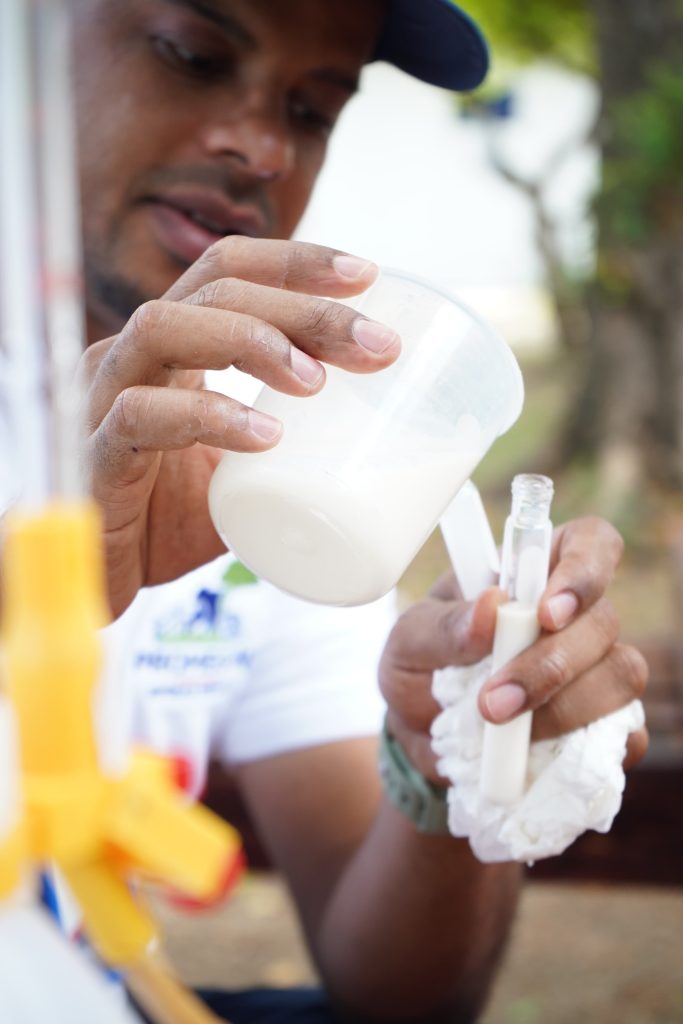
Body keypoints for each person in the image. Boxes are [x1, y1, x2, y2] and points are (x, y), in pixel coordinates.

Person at [68, 1, 649, 1021]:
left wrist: (448, 757)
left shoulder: (262, 465)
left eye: (312, 107)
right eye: (191, 55)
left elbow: (397, 995)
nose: (259, 147)